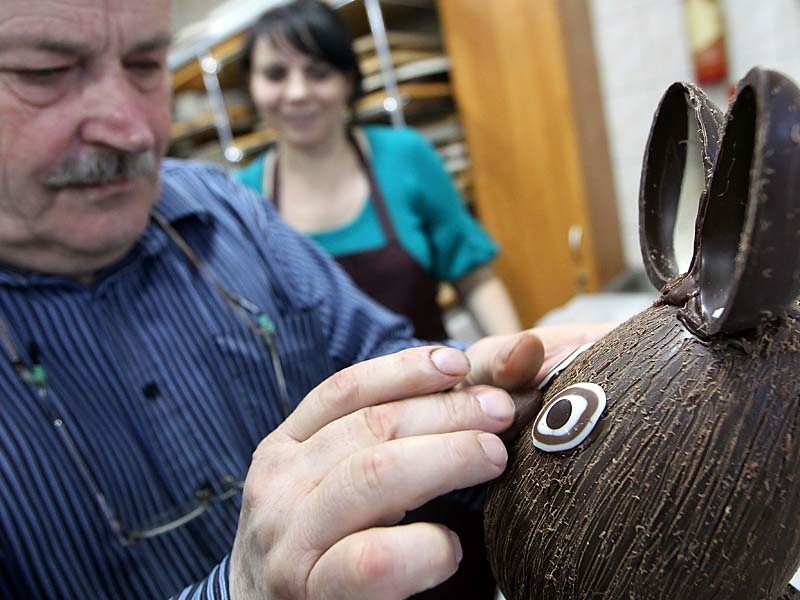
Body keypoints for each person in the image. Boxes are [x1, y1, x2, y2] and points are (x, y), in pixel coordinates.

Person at [0, 0, 611, 598]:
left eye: (143, 65)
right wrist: (241, 591)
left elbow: (375, 354)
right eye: (43, 74)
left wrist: (493, 382)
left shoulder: (225, 213)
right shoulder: (250, 187)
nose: (132, 130)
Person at [236, 0, 522, 342]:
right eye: (275, 74)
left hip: (437, 387)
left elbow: (475, 280)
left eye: (319, 72)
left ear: (348, 80)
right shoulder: (242, 199)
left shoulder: (404, 155)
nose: (297, 93)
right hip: (322, 397)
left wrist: (516, 364)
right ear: (251, 86)